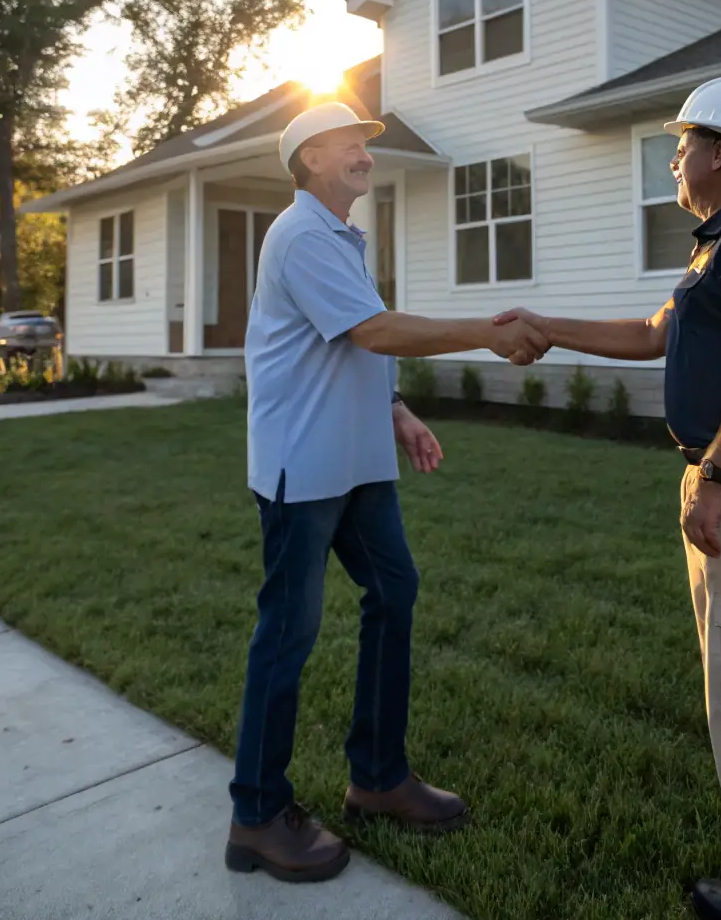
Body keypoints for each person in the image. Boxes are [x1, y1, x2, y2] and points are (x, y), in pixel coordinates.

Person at [495, 76, 721, 920]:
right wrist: (547, 324)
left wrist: (718, 478)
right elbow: (654, 333)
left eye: (683, 143)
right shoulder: (719, 242)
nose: (676, 157)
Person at [225, 100, 548, 885]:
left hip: (359, 461)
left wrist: (397, 409)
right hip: (304, 469)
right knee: (289, 632)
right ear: (309, 161)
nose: (366, 155)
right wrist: (485, 330)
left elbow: (357, 342)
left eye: (366, 145)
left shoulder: (341, 236)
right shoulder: (301, 235)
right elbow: (374, 331)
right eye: (349, 145)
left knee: (394, 589)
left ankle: (376, 775)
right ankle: (257, 814)